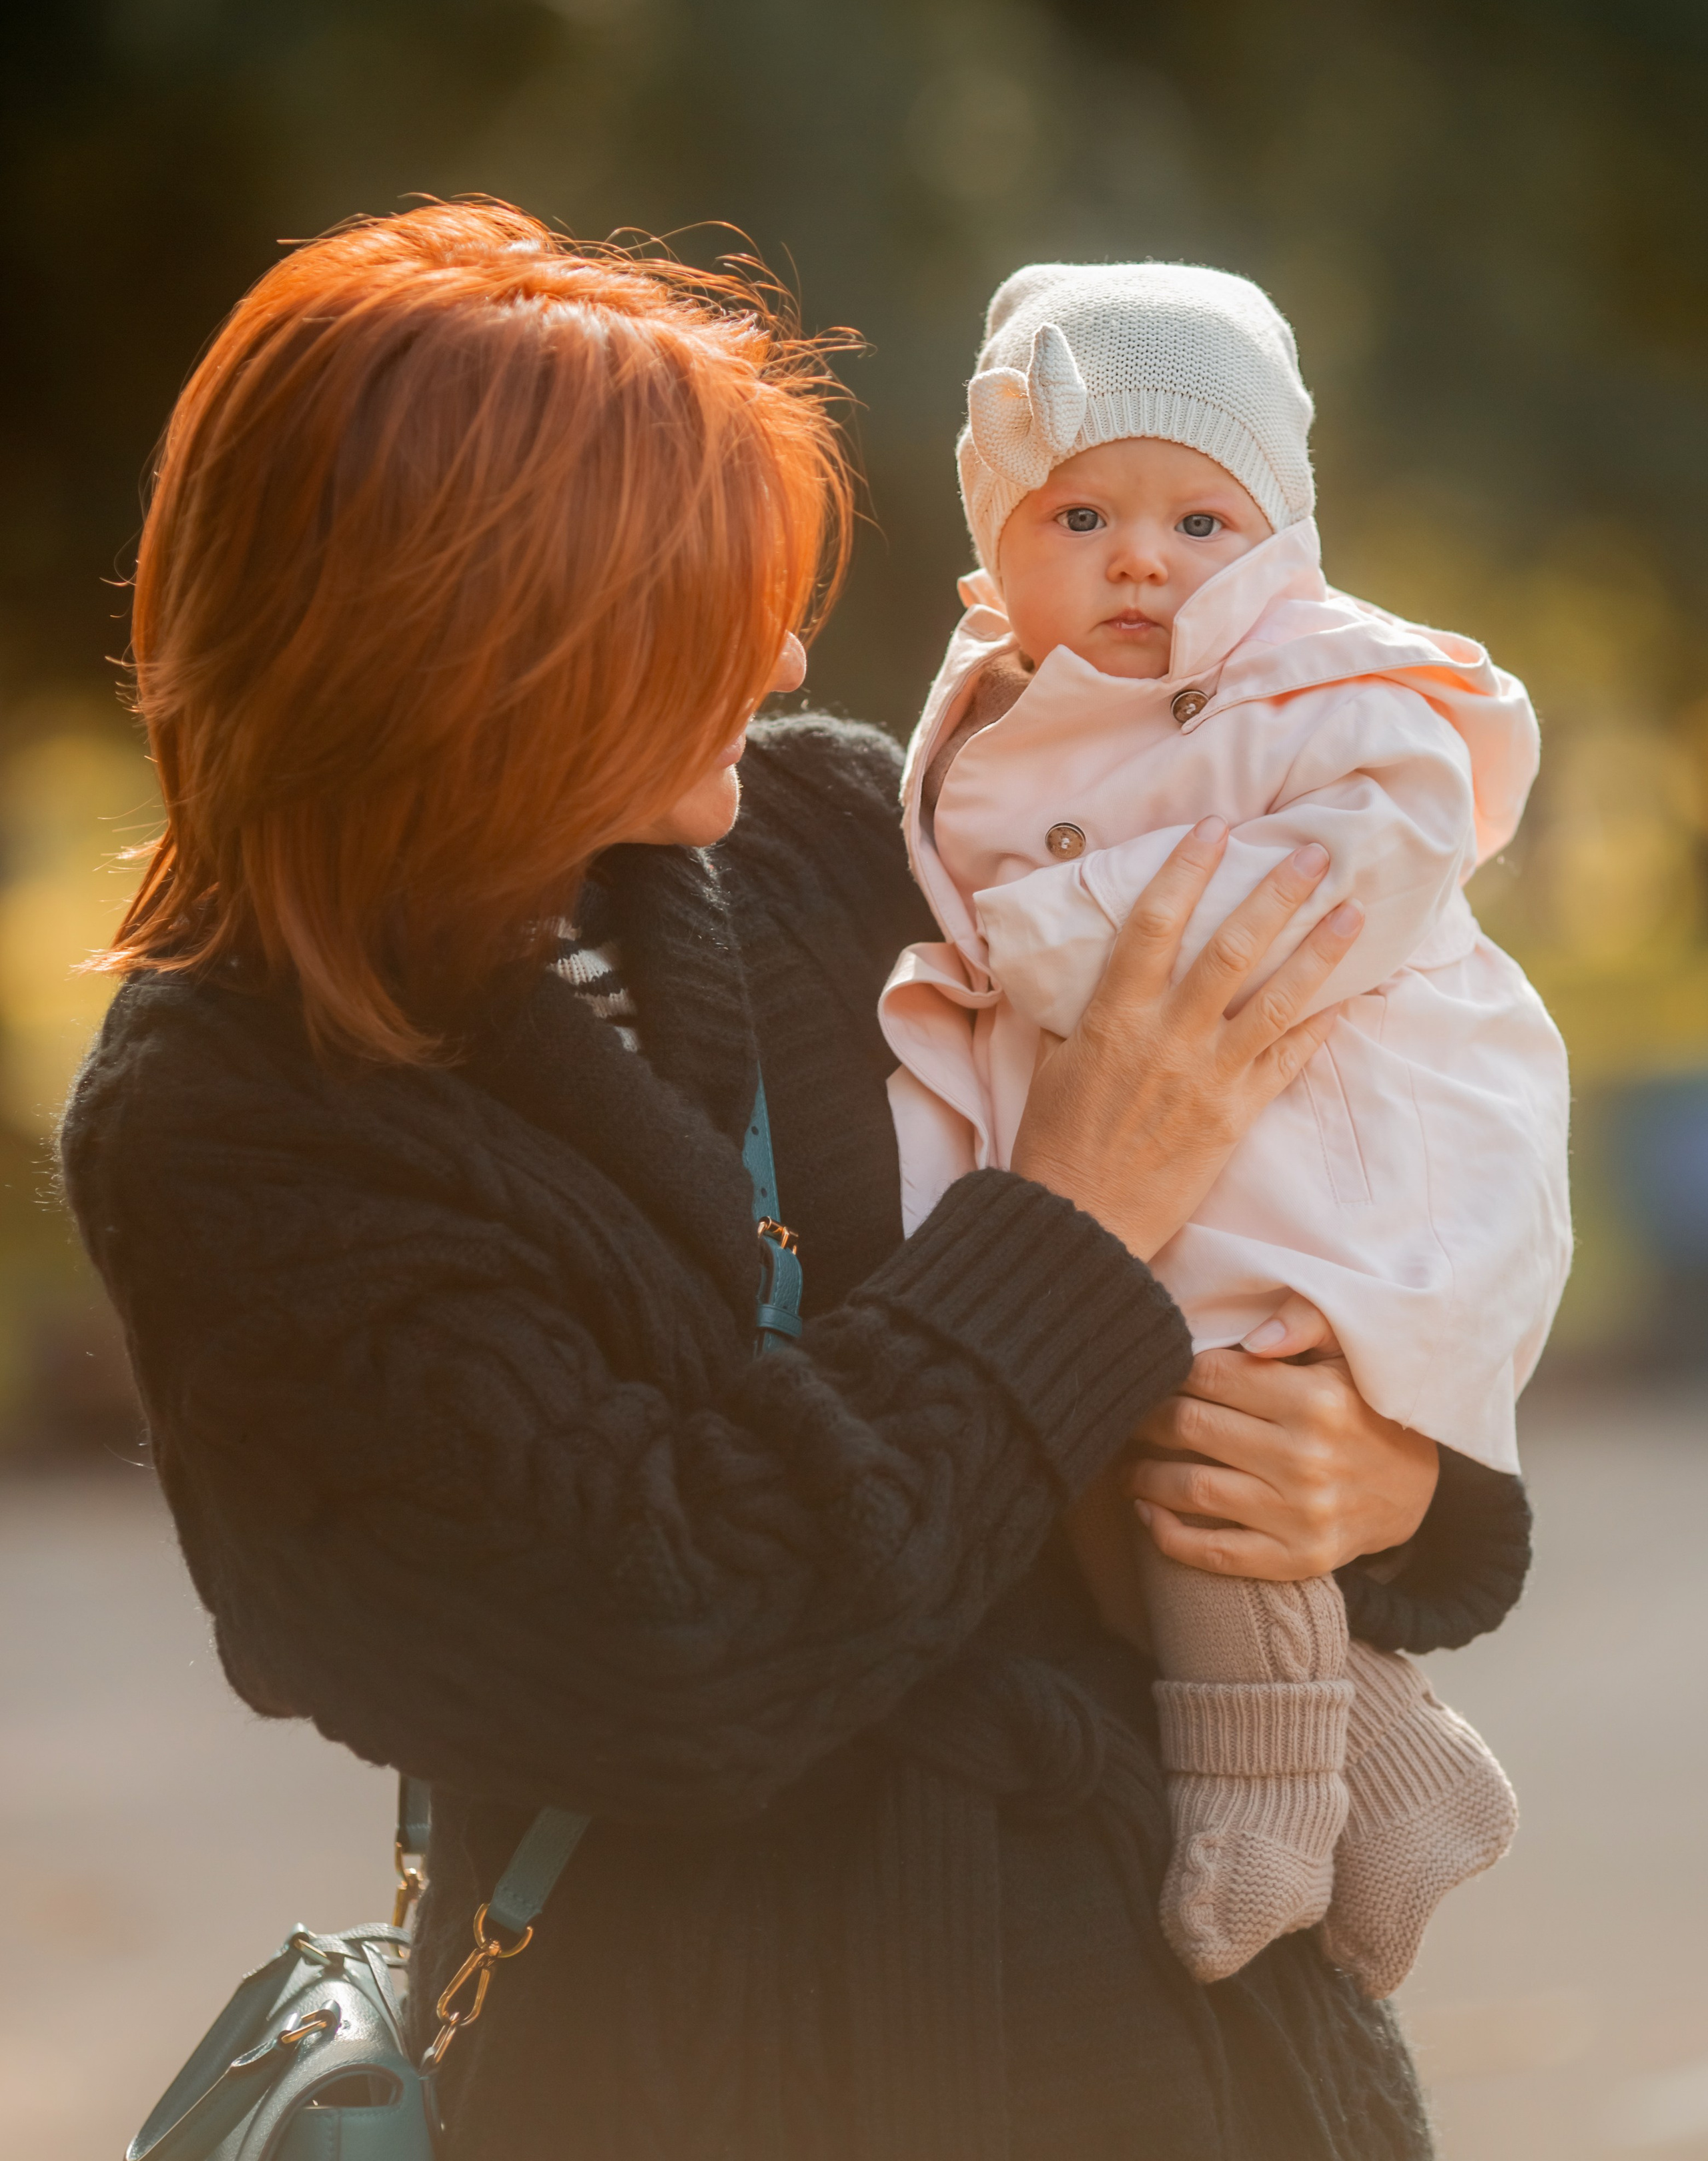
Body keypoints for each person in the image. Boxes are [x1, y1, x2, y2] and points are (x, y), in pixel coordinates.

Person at [59, 202, 1531, 2161]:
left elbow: (1280, 1188)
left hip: (1219, 2072)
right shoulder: (232, 1122)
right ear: (483, 650)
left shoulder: (840, 830)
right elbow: (676, 1651)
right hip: (707, 2096)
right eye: (700, 612)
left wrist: (1398, 1481)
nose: (784, 649)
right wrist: (1071, 1219)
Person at [881, 262, 1569, 1998]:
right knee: (1095, 1448)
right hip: (1163, 1156)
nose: (1141, 557)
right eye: (1081, 513)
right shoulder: (991, 707)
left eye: (1202, 517)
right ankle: (1397, 1760)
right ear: (997, 550)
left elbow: (1399, 827)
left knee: (1207, 1415)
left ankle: (1266, 1800)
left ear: (1283, 549)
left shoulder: (1318, 681)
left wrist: (1080, 935)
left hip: (1326, 1130)